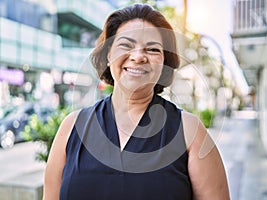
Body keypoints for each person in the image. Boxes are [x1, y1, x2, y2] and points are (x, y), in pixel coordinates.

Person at [43, 4, 230, 200]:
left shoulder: (190, 132)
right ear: (108, 54)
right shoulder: (71, 127)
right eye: (126, 45)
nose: (138, 56)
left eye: (152, 49)